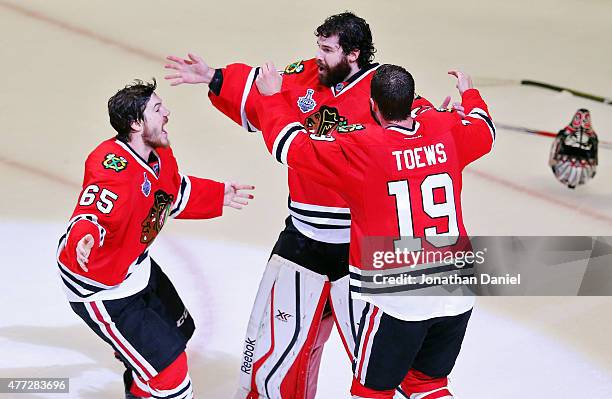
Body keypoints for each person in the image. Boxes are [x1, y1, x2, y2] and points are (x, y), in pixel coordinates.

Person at [164, 12, 444, 399]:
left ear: (354, 53)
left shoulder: (383, 90)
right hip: (304, 238)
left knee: (384, 362)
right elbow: (266, 91)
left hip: (362, 245)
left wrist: (448, 120)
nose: (319, 57)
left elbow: (424, 131)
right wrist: (213, 76)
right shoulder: (308, 74)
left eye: (328, 50)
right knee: (274, 355)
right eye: (319, 47)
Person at [253, 63, 494, 398]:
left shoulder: (363, 148)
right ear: (412, 101)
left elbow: (290, 148)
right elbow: (485, 129)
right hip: (457, 287)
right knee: (427, 385)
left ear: (373, 106)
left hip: (401, 297)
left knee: (371, 392)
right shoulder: (443, 127)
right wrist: (469, 94)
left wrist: (270, 98)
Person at [55, 79, 254, 399]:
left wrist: (218, 195)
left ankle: (138, 383)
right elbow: (91, 213)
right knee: (171, 377)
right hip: (102, 289)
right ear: (136, 124)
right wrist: (84, 238)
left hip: (136, 268)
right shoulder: (113, 169)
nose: (168, 113)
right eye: (158, 109)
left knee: (179, 332)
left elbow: (168, 193)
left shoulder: (159, 150)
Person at [549, 108, 598, 189]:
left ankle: (570, 131)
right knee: (586, 162)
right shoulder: (584, 177)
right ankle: (586, 132)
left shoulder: (561, 175)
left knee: (563, 159)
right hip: (583, 162)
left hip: (566, 160)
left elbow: (553, 160)